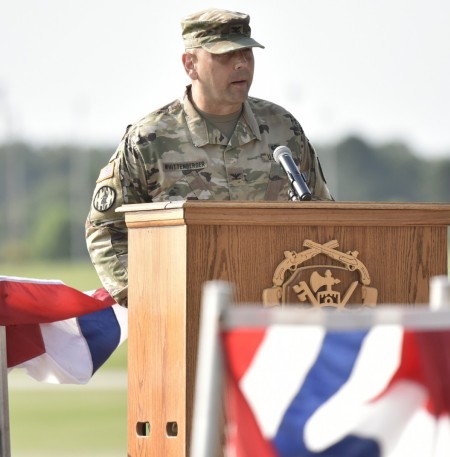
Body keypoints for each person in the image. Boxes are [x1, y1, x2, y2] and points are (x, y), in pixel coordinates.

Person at [86, 8, 333, 307]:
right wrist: (141, 297)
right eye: (225, 56)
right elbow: (106, 229)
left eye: (247, 53)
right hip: (181, 313)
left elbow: (323, 215)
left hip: (272, 311)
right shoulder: (150, 139)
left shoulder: (283, 128)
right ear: (190, 64)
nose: (241, 63)